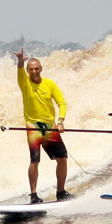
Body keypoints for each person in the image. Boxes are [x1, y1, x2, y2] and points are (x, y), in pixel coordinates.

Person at [13, 49, 71, 203]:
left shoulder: (50, 84)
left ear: (41, 69)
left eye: (36, 68)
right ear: (28, 71)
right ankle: (33, 195)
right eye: (30, 69)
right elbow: (20, 72)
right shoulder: (24, 83)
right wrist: (20, 62)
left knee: (62, 159)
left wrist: (60, 122)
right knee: (35, 161)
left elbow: (62, 103)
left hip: (50, 127)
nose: (34, 71)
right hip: (33, 126)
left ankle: (61, 192)